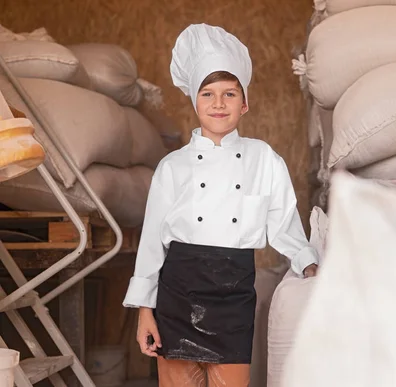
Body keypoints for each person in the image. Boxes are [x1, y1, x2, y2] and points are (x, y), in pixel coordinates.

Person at [122, 23, 320, 387]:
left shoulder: (265, 160)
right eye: (208, 94)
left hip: (234, 299)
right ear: (194, 101)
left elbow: (283, 223)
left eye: (229, 94)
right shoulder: (173, 167)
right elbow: (152, 244)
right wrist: (144, 312)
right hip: (177, 298)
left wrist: (308, 263)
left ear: (244, 103)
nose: (218, 104)